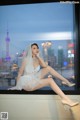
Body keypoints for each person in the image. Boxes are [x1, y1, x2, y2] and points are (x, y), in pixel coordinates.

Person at [8, 43, 79, 107]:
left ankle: (66, 82)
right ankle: (66, 99)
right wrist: (17, 85)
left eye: (37, 48)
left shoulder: (38, 59)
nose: (36, 49)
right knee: (50, 80)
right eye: (34, 48)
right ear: (30, 50)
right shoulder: (26, 59)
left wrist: (38, 57)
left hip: (34, 78)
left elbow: (45, 66)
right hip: (27, 82)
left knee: (48, 68)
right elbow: (20, 73)